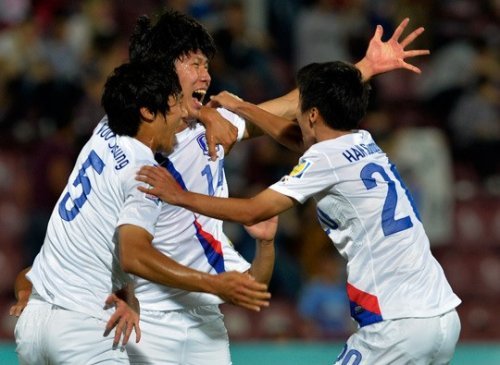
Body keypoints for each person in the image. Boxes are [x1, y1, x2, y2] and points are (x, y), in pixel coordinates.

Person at [12, 9, 429, 365]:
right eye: (193, 63)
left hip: (201, 317)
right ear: (161, 71)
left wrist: (364, 69)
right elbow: (130, 249)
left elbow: (295, 116)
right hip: (148, 317)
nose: (206, 74)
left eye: (206, 64)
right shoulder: (148, 143)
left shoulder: (158, 122)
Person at [137, 61, 462, 365]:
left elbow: (254, 210)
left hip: (397, 323)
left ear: (312, 115)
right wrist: (243, 108)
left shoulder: (325, 159)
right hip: (443, 317)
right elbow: (300, 139)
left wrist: (177, 195)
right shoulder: (362, 141)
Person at [13, 60, 270, 364]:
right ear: (147, 111)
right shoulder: (143, 173)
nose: (182, 114)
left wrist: (128, 293)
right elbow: (133, 255)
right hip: (83, 332)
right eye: (174, 105)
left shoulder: (104, 131)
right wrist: (213, 284)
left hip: (34, 324)